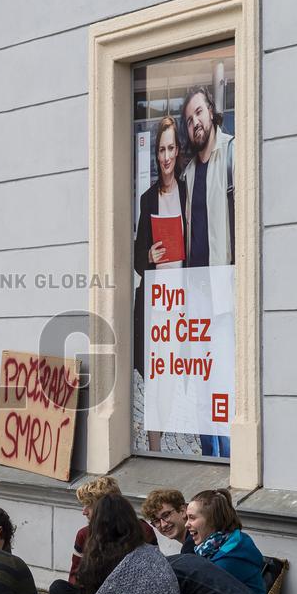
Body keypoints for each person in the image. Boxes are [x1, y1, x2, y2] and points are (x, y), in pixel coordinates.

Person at [181, 84, 234, 458]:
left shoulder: (231, 153)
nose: (194, 122)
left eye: (198, 113)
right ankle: (206, 458)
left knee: (223, 381)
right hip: (195, 292)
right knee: (201, 383)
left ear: (211, 113)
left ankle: (228, 457)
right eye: (188, 120)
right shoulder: (185, 174)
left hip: (224, 290)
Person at [133, 116, 187, 452]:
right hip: (155, 299)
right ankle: (154, 445)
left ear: (178, 150)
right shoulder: (148, 199)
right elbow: (137, 258)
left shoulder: (188, 191)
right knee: (156, 377)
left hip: (181, 297)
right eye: (160, 150)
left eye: (170, 148)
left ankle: (166, 433)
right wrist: (150, 255)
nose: (165, 156)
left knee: (174, 373)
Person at [49, 475, 156, 594]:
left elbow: (152, 572)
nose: (84, 512)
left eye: (89, 505)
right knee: (58, 587)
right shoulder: (84, 534)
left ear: (105, 507)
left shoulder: (142, 530)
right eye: (83, 505)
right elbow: (76, 577)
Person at [185, 488, 266, 594]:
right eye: (187, 518)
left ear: (212, 520)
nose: (186, 524)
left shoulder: (229, 558)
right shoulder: (220, 546)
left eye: (192, 518)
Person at [142, 488, 195, 553]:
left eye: (166, 515)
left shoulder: (193, 546)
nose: (163, 525)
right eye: (156, 521)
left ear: (183, 511)